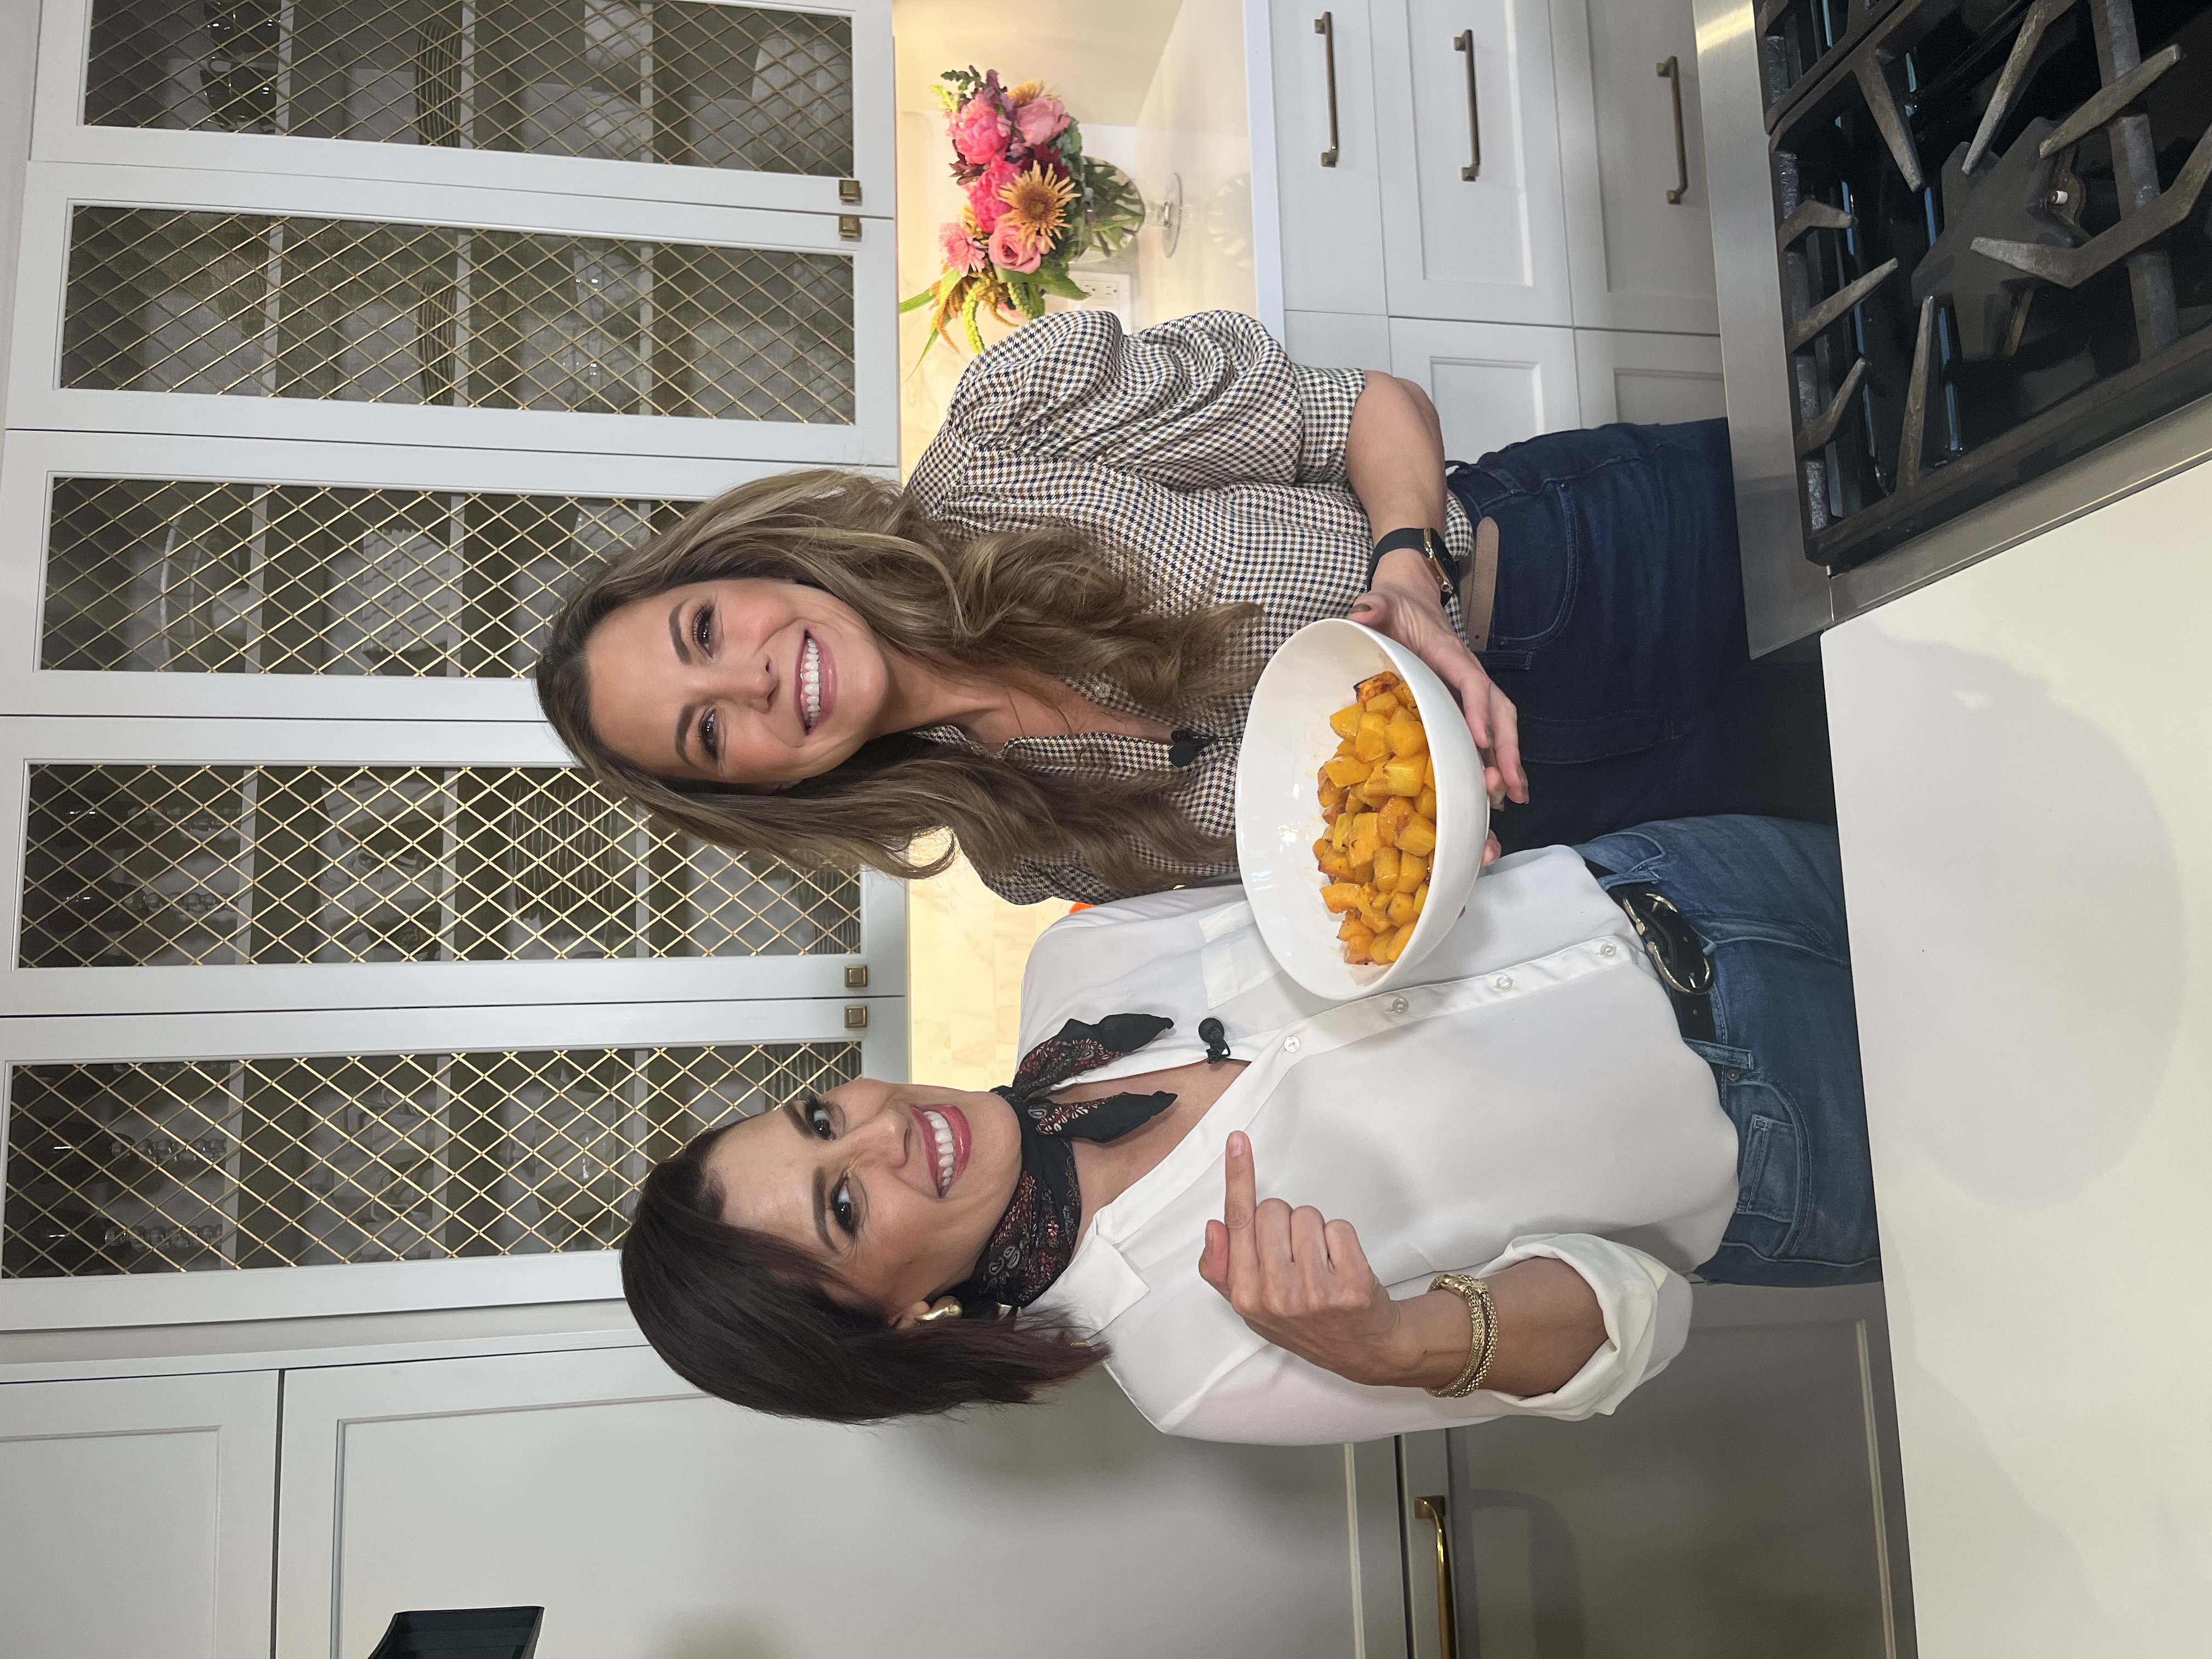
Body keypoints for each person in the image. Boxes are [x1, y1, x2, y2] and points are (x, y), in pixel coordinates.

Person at [619, 815, 1875, 1444]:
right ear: (891, 1323)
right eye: (846, 1206)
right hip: (1790, 1133)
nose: (884, 1131)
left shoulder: (1078, 960)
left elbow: (1368, 883)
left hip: (1694, 872)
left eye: (822, 1115)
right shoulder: (1186, 1357)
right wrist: (1396, 1343)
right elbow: (1644, 1315)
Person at [535, 309, 1831, 906]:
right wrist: (1427, 866)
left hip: (1578, 565)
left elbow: (1363, 410)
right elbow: (1313, 873)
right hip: (1568, 808)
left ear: (748, 565)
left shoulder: (1002, 438)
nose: (750, 683)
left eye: (703, 634)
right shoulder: (1022, 848)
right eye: (709, 733)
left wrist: (1402, 571)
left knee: (1923, 529)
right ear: (757, 789)